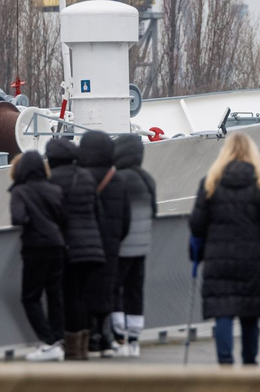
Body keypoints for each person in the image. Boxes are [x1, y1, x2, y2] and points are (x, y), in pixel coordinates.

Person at [189, 133, 260, 366]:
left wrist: (204, 249)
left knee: (223, 312)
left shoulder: (210, 183)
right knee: (249, 313)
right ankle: (250, 363)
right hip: (250, 260)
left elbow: (196, 224)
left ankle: (225, 364)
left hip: (218, 260)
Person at [46, 137, 106, 360]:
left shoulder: (53, 181)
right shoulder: (86, 177)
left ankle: (73, 348)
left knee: (70, 297)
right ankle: (83, 346)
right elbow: (98, 213)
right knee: (83, 296)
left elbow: (52, 216)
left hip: (69, 248)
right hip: (93, 247)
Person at [77, 131, 131, 359]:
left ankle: (91, 336)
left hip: (84, 243)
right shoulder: (117, 179)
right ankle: (106, 336)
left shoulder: (80, 178)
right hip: (111, 243)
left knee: (85, 288)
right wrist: (117, 236)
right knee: (107, 287)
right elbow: (127, 218)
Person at [9, 150, 67, 362]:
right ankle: (58, 341)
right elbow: (63, 216)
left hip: (36, 248)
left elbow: (18, 218)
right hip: (58, 246)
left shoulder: (20, 191)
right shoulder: (53, 188)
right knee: (55, 295)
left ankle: (48, 341)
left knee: (30, 297)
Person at [111, 134, 156, 358]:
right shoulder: (148, 179)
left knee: (115, 288)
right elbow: (154, 211)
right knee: (135, 290)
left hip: (121, 246)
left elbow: (114, 213)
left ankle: (119, 338)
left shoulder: (117, 179)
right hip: (143, 245)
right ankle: (135, 338)